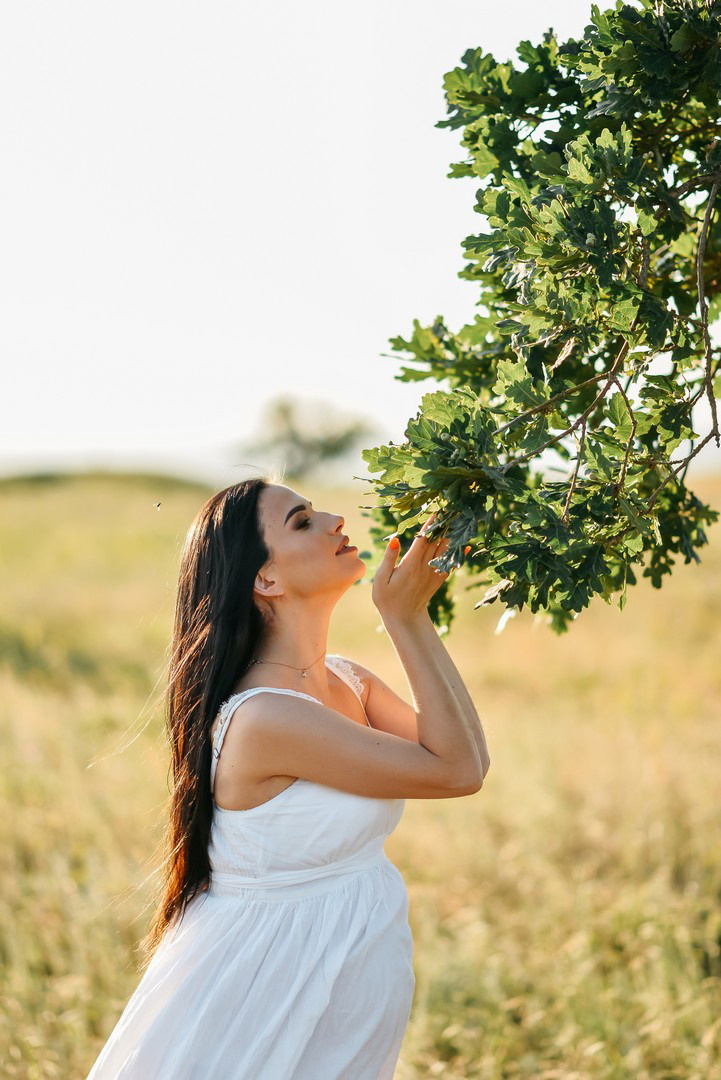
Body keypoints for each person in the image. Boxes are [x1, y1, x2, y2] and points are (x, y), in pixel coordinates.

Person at [86, 477, 490, 1079]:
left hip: (344, 968)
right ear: (266, 580)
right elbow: (456, 772)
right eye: (301, 521)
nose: (334, 520)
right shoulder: (266, 718)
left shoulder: (348, 681)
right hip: (263, 988)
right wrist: (403, 618)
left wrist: (416, 617)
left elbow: (471, 758)